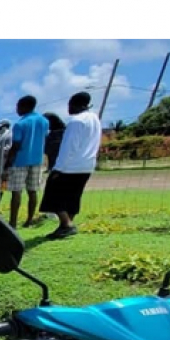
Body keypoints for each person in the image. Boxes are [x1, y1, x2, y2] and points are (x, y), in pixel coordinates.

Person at [40, 91, 101, 239]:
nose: (68, 109)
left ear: (77, 105)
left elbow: (68, 148)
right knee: (73, 196)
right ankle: (65, 225)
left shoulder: (76, 122)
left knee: (53, 195)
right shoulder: (94, 118)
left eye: (70, 105)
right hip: (87, 164)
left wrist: (57, 169)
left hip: (70, 166)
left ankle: (67, 225)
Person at [5, 95, 49, 229]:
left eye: (18, 106)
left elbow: (16, 145)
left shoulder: (20, 124)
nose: (16, 109)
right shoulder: (44, 121)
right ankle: (29, 220)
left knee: (16, 192)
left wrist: (8, 161)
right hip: (37, 160)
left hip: (20, 161)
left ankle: (12, 222)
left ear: (25, 106)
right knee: (32, 191)